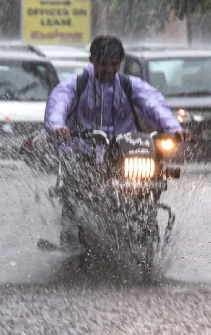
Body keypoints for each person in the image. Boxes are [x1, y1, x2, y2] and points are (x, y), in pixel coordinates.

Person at [43, 35, 188, 251]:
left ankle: (145, 227)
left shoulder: (130, 86)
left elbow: (153, 103)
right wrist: (57, 127)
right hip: (83, 154)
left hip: (126, 154)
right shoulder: (75, 85)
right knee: (73, 193)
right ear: (93, 60)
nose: (109, 69)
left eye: (114, 64)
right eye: (104, 63)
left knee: (152, 178)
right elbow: (58, 105)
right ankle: (71, 240)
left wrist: (174, 128)